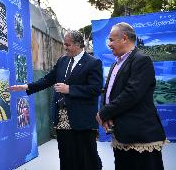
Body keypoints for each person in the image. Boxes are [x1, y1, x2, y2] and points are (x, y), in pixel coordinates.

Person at [10, 30, 103, 170]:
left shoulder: (93, 63)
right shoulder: (62, 61)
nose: (65, 47)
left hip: (82, 118)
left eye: (68, 44)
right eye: (65, 44)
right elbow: (48, 79)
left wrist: (69, 89)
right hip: (62, 117)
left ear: (78, 45)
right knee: (66, 155)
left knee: (86, 155)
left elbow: (95, 89)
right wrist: (27, 86)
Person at [96, 22, 167, 170]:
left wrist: (104, 112)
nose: (109, 44)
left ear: (124, 38)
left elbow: (132, 93)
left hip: (140, 135)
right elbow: (108, 91)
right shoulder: (116, 64)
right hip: (122, 134)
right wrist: (106, 112)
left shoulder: (142, 60)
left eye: (111, 39)